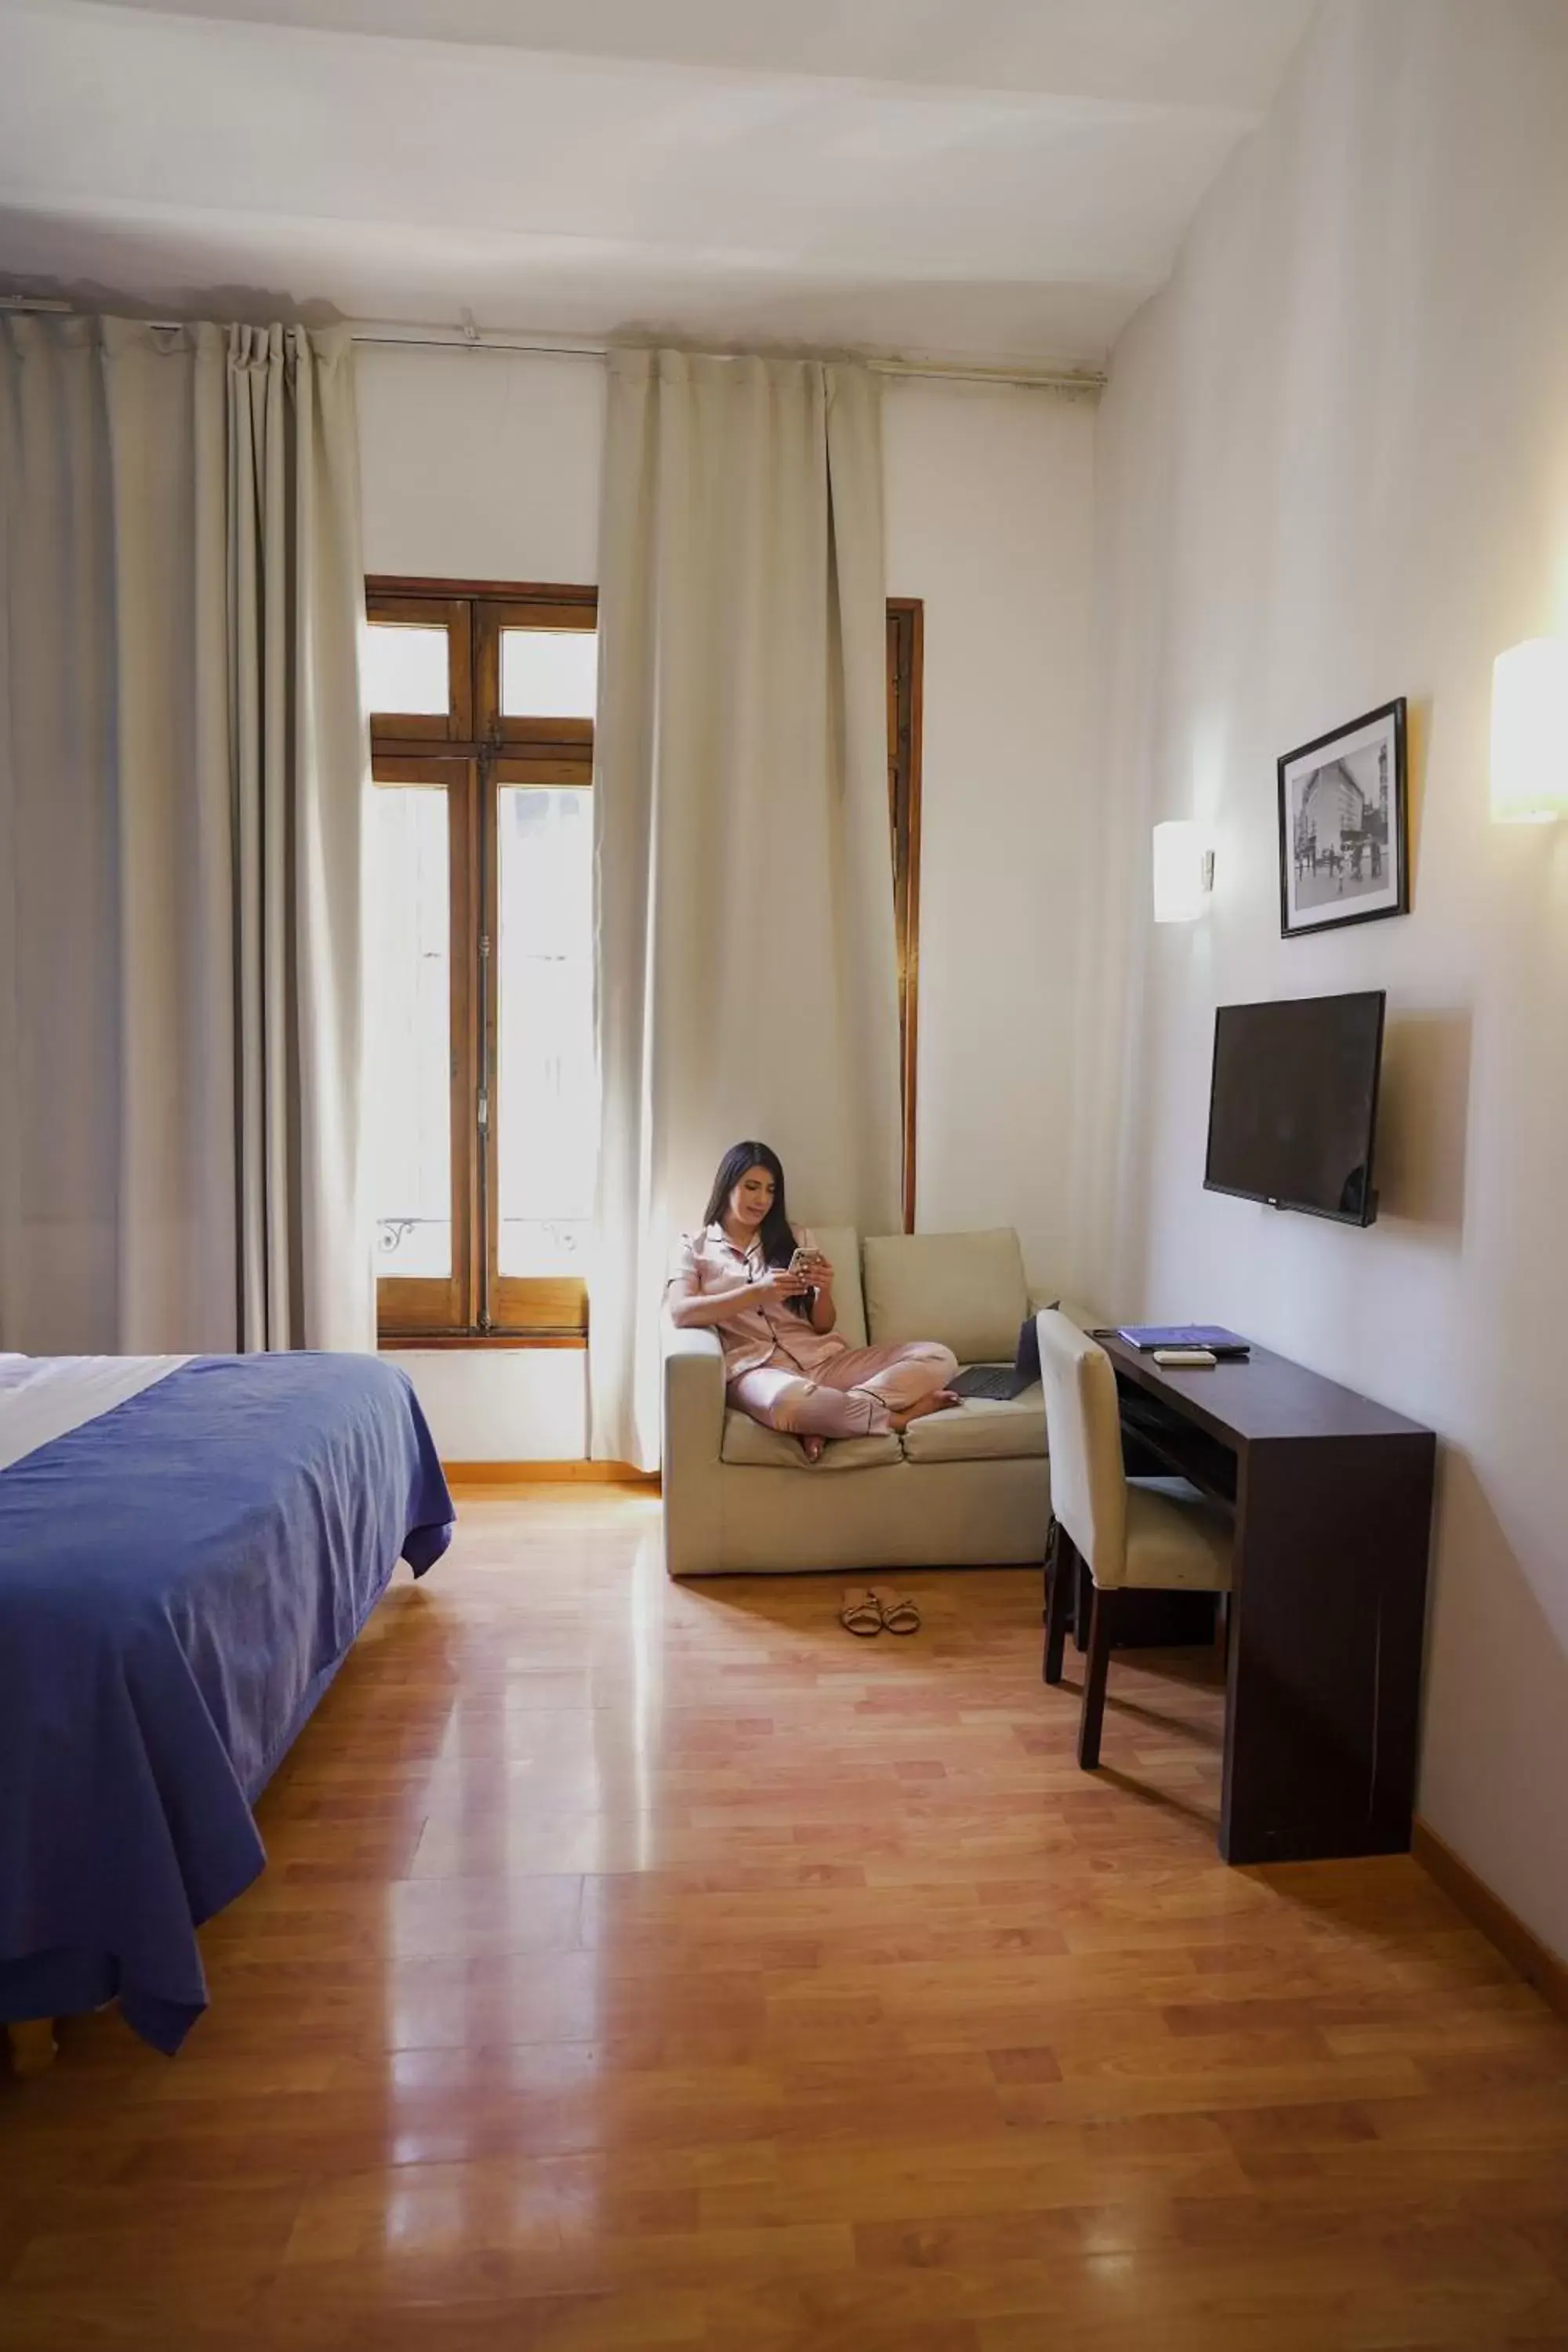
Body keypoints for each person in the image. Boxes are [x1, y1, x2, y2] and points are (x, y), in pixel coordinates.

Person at [667, 1141, 959, 1464]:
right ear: (727, 1186)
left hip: (822, 1360)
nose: (762, 1199)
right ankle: (893, 1420)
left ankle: (830, 1416)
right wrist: (755, 1293)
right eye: (751, 1187)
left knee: (938, 1356)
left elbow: (822, 1325)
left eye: (770, 1190)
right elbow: (681, 1313)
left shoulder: (796, 1238)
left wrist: (824, 1291)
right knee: (790, 1406)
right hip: (758, 1370)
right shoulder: (693, 1247)